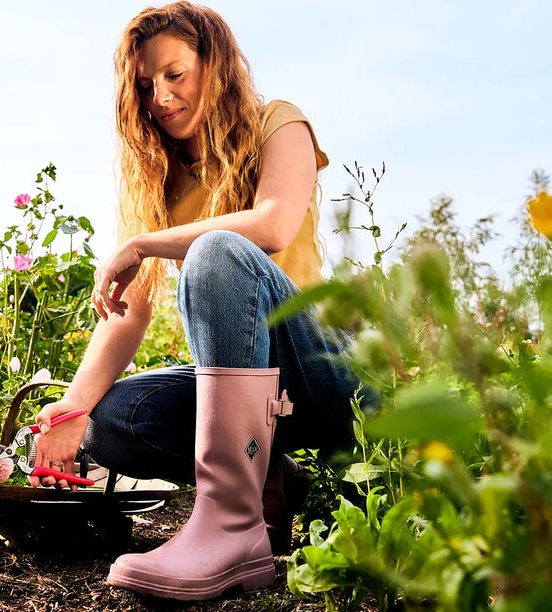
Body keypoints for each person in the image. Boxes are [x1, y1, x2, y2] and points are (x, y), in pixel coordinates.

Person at [26, 1, 374, 600]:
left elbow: (271, 227)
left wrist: (143, 243)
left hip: (322, 371)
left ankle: (231, 529)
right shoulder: (163, 174)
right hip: (244, 394)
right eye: (146, 84)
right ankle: (270, 483)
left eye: (175, 74)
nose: (160, 95)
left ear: (213, 65)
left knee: (218, 250)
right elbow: (129, 308)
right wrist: (69, 410)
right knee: (111, 422)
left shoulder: (279, 123)